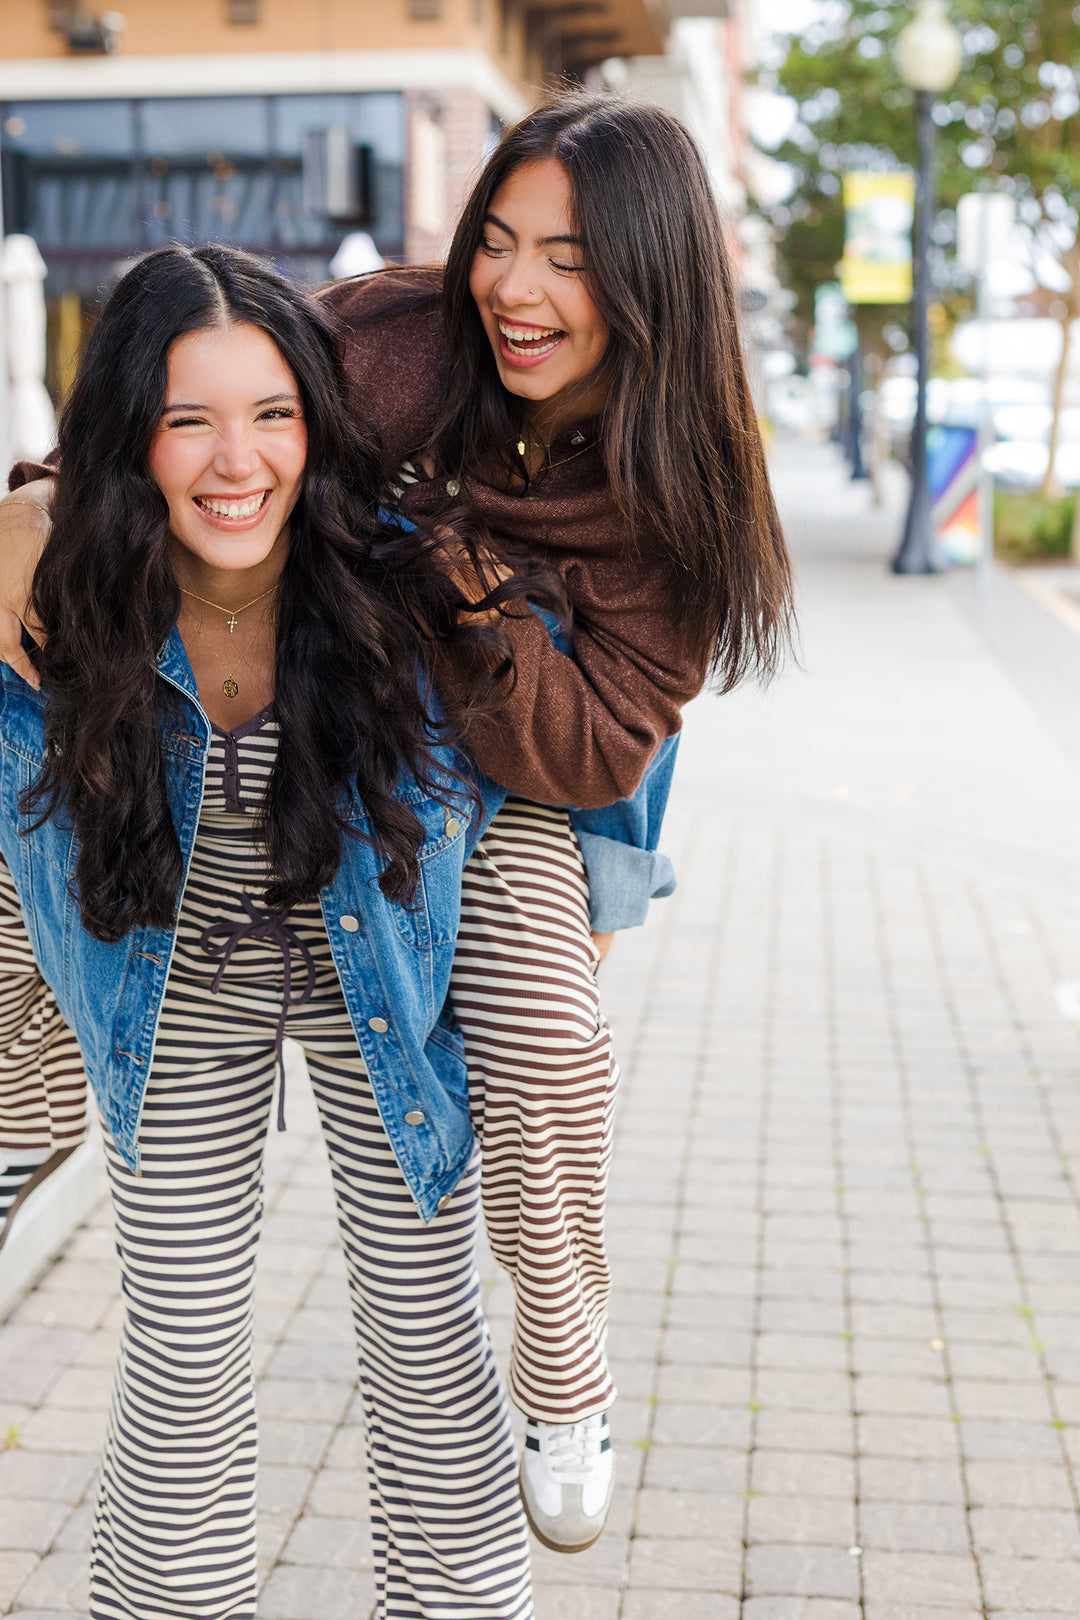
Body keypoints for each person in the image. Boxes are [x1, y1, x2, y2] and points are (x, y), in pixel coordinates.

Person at [0, 91, 793, 1555]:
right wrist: (37, 502)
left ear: (652, 276)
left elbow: (587, 745)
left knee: (545, 1035)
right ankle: (23, 1109)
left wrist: (457, 580)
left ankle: (564, 1353)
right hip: (334, 722)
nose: (514, 287)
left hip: (537, 777)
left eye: (567, 257)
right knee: (50, 839)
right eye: (497, 240)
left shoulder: (684, 491)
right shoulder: (403, 336)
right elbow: (196, 384)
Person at [0, 240, 569, 1620]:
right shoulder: (48, 595)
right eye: (186, 419)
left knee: (430, 1346)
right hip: (170, 980)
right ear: (124, 438)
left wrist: (599, 898)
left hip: (380, 973)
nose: (234, 460)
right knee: (183, 1360)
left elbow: (608, 672)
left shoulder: (408, 577)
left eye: (272, 413)